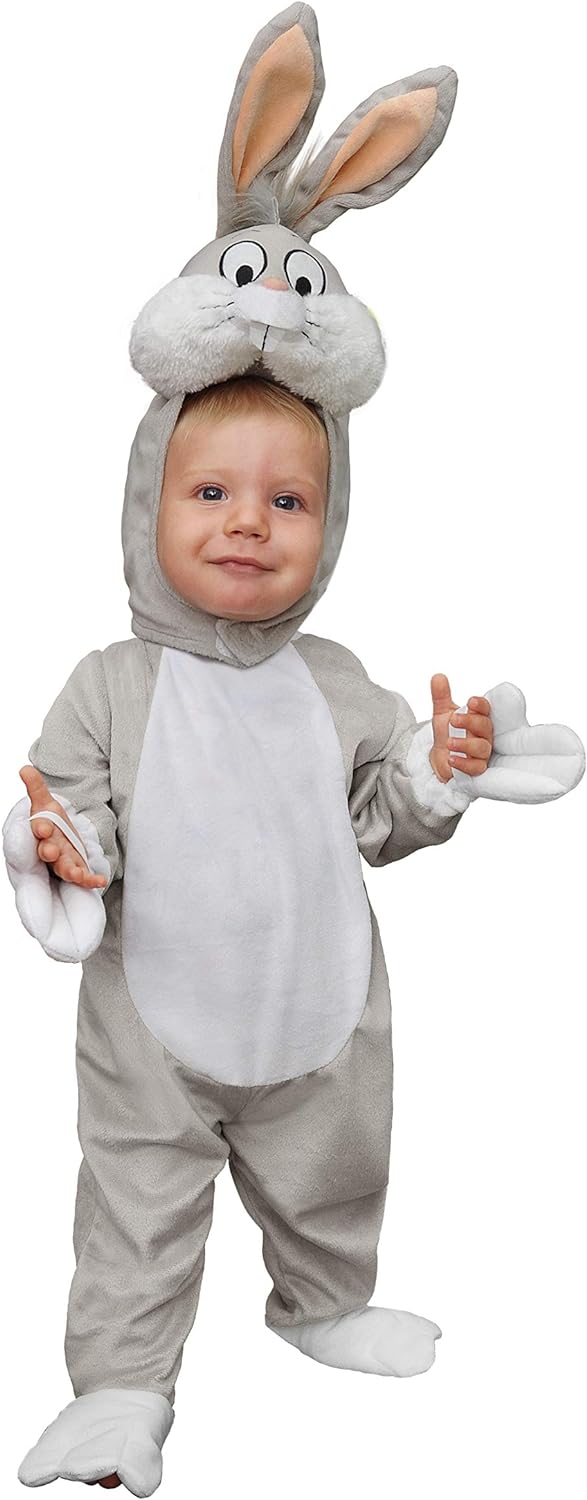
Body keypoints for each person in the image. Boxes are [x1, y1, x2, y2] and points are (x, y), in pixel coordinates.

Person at [4, 6, 584, 1494]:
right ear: (149, 499)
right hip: (156, 1031)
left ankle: (322, 1301)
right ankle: (120, 1390)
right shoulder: (110, 683)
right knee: (136, 1201)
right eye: (210, 493)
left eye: (287, 503)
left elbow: (382, 815)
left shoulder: (337, 682)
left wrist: (443, 768)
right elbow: (67, 803)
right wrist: (63, 846)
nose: (248, 526)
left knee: (338, 1160)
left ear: (330, 528)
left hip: (323, 1016)